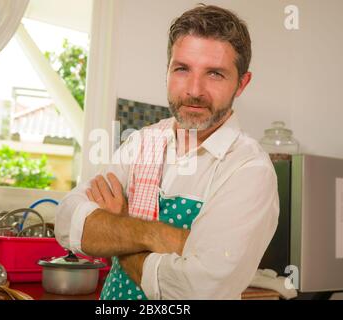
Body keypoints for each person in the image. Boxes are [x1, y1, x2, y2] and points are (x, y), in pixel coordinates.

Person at [55, 4, 279, 300]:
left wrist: (118, 230)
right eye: (182, 69)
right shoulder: (141, 143)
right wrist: (154, 234)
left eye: (214, 73)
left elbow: (196, 290)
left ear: (241, 84)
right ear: (168, 70)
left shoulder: (249, 170)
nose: (194, 90)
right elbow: (68, 222)